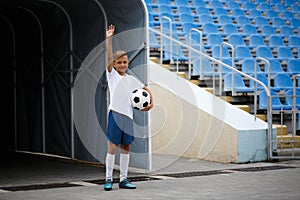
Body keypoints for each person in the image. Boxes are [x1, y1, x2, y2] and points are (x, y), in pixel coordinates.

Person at [103, 24, 153, 191]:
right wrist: (109, 38)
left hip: (128, 117)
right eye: (119, 62)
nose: (123, 65)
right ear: (115, 64)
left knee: (126, 148)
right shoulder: (112, 76)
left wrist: (151, 103)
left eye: (125, 62)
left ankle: (123, 179)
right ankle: (108, 178)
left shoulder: (132, 79)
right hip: (115, 115)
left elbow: (146, 89)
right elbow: (108, 56)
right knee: (112, 147)